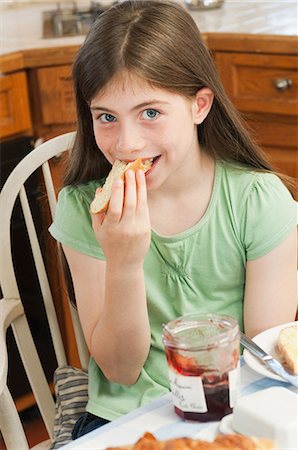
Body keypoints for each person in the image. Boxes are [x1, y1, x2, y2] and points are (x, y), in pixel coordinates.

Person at [49, 0, 297, 439]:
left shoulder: (258, 200)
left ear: (200, 105)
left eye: (150, 113)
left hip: (235, 410)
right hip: (122, 418)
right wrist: (124, 262)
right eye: (106, 117)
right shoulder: (83, 209)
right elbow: (121, 372)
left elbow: (265, 361)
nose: (126, 143)